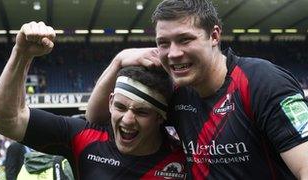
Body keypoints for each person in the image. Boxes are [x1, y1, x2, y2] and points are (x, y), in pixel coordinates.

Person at [85, 0, 308, 179]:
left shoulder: (263, 82)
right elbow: (96, 117)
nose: (173, 53)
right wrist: (118, 60)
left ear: (214, 36)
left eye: (185, 40)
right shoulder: (176, 92)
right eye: (163, 43)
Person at [0, 21, 187, 180]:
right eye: (120, 106)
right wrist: (21, 54)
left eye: (142, 112)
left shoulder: (185, 161)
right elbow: (6, 120)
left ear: (161, 117)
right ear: (110, 102)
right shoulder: (84, 138)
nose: (127, 120)